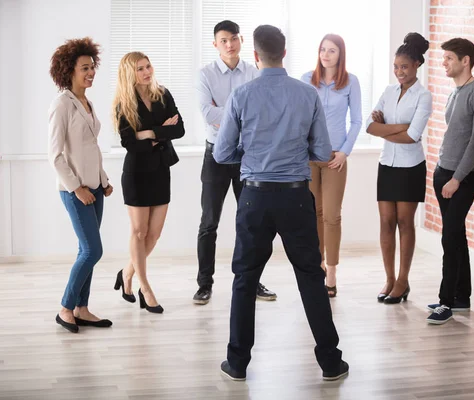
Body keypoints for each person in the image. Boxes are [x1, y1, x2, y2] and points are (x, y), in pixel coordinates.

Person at [214, 25, 348, 382]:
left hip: (255, 196)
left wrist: (255, 150)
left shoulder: (241, 96)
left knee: (245, 279)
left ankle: (238, 363)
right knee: (310, 277)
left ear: (255, 56)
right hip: (295, 196)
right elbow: (321, 151)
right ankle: (331, 363)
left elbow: (223, 151)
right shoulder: (307, 94)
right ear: (284, 53)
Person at [194, 20, 276, 305]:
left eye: (234, 39)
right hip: (215, 155)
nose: (229, 44)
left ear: (242, 41)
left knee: (251, 221)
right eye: (223, 40)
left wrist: (226, 111)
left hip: (247, 156)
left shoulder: (255, 73)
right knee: (209, 223)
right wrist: (239, 112)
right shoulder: (205, 74)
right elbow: (207, 114)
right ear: (215, 44)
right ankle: (204, 284)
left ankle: (252, 281)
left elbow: (261, 114)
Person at [426, 38, 474, 325]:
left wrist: (456, 179)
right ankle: (461, 296)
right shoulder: (456, 91)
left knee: (449, 235)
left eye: (449, 58)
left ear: (465, 60)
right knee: (455, 234)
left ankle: (445, 302)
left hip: (463, 177)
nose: (444, 62)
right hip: (444, 170)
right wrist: (444, 172)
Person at [48, 37, 113, 333]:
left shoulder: (87, 102)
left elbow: (91, 147)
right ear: (69, 70)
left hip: (95, 188)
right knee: (92, 251)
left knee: (85, 250)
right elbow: (55, 155)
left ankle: (81, 308)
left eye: (92, 67)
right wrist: (77, 188)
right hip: (76, 191)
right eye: (84, 68)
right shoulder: (61, 104)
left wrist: (103, 180)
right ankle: (65, 307)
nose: (91, 73)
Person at [112, 51, 185, 314]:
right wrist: (160, 134)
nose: (146, 72)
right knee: (139, 232)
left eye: (148, 66)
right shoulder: (123, 102)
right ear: (129, 74)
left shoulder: (162, 94)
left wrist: (150, 133)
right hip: (136, 173)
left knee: (153, 234)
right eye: (139, 69)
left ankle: (126, 273)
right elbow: (129, 143)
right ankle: (146, 288)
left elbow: (179, 129)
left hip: (160, 170)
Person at [366, 33, 433, 305]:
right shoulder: (388, 91)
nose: (399, 72)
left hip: (410, 166)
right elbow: (370, 126)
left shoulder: (424, 96)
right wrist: (400, 128)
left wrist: (389, 129)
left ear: (417, 64)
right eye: (396, 67)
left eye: (404, 66)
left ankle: (403, 280)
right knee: (386, 222)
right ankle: (389, 278)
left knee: (405, 223)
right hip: (387, 164)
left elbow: (413, 136)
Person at [300, 34, 362, 298]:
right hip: (309, 157)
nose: (326, 54)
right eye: (323, 49)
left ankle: (332, 272)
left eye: (332, 50)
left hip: (335, 157)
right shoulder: (306, 80)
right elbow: (299, 118)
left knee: (332, 216)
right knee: (314, 213)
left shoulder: (351, 82)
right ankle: (318, 265)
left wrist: (345, 153)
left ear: (341, 54)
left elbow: (357, 121)